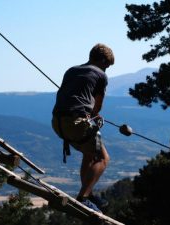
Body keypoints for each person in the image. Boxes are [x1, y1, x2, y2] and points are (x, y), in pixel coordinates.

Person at [52, 43, 114, 212]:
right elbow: (98, 105)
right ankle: (83, 198)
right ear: (102, 60)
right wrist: (94, 114)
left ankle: (88, 191)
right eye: (106, 66)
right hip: (75, 123)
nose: (106, 70)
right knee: (103, 158)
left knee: (89, 152)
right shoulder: (101, 75)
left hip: (57, 122)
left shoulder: (71, 70)